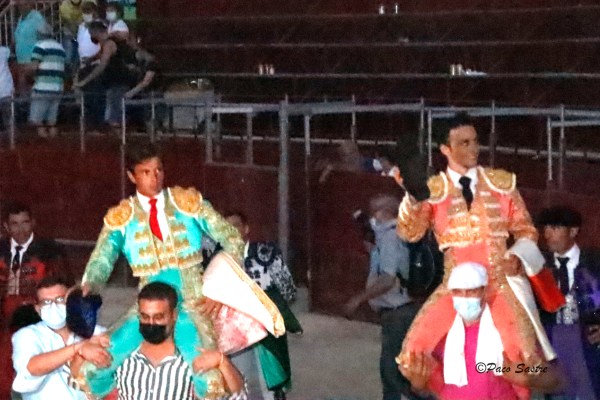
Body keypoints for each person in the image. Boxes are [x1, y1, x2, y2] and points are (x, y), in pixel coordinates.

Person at [76, 142, 284, 399]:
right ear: (131, 176)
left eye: (158, 170)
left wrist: (220, 287)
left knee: (209, 380)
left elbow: (232, 238)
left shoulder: (187, 202)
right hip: (148, 308)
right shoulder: (122, 217)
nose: (155, 178)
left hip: (192, 304)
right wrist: (90, 285)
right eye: (146, 172)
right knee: (93, 368)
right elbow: (101, 260)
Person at [395, 112, 564, 382]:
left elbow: (526, 230)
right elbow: (410, 233)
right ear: (445, 149)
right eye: (464, 143)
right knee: (410, 357)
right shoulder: (433, 190)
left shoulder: (501, 184)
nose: (474, 148)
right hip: (454, 287)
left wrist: (518, 257)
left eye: (475, 141)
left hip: (499, 283)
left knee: (528, 364)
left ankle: (495, 382)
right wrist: (413, 199)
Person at [398, 262, 564, 399]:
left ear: (484, 292)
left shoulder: (507, 326)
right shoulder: (439, 333)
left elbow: (556, 380)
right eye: (458, 292)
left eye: (471, 291)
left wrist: (527, 379)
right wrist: (418, 384)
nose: (464, 298)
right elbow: (424, 388)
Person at [74, 281, 246, 399]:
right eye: (145, 316)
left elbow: (238, 396)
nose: (151, 323)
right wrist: (82, 351)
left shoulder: (188, 358)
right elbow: (79, 384)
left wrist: (222, 361)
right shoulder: (123, 356)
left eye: (158, 317)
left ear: (174, 315)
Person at [344, 194, 422, 400]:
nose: (372, 216)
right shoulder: (395, 234)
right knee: (400, 372)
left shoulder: (390, 237)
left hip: (398, 311)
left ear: (385, 212)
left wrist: (358, 299)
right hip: (403, 309)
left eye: (374, 211)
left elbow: (387, 279)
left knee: (392, 373)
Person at [225, 211, 301, 400]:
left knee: (270, 382)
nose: (230, 231)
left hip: (266, 329)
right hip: (235, 331)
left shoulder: (266, 253)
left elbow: (288, 290)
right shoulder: (218, 259)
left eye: (235, 226)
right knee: (239, 382)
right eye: (225, 227)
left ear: (246, 229)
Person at [11, 277, 111, 400]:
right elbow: (31, 368)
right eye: (46, 302)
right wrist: (79, 348)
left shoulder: (94, 331)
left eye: (60, 300)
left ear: (70, 302)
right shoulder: (27, 335)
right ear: (37, 309)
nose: (53, 306)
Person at [537, 206, 600, 399]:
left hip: (589, 342)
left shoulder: (595, 263)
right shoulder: (538, 266)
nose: (547, 234)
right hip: (552, 343)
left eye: (555, 228)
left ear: (573, 231)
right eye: (546, 228)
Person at [0, 201, 71, 325]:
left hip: (37, 316)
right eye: (14, 224)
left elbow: (65, 286)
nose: (21, 230)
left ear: (33, 223)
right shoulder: (1, 248)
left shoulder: (51, 250)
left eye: (25, 223)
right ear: (6, 226)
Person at [74, 21, 134, 131]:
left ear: (95, 33)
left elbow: (102, 65)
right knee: (115, 114)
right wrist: (91, 59)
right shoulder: (112, 42)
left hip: (117, 83)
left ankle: (119, 139)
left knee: (114, 118)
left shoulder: (108, 44)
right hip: (117, 82)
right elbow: (101, 55)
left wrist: (85, 81)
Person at [27, 23, 66, 138]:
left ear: (40, 34)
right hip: (58, 86)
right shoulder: (60, 47)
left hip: (43, 86)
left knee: (37, 120)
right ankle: (54, 141)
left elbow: (34, 66)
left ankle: (43, 140)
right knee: (52, 119)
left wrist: (27, 73)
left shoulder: (40, 46)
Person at [13, 0, 47, 94]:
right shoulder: (21, 19)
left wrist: (39, 59)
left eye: (24, 4)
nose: (21, 7)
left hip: (33, 62)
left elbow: (45, 37)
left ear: (30, 4)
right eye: (19, 5)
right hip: (21, 62)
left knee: (34, 91)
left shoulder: (37, 18)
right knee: (24, 92)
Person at [59, 0, 83, 73]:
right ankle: (67, 66)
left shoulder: (88, 1)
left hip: (83, 29)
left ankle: (77, 67)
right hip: (69, 30)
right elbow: (70, 23)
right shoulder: (64, 6)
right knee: (68, 49)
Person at [0, 45, 14, 138]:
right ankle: (11, 142)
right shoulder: (4, 51)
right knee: (9, 122)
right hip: (5, 88)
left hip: (5, 89)